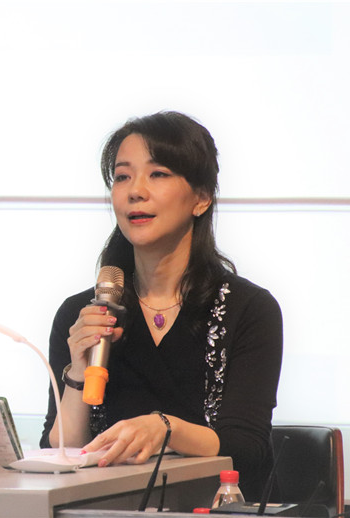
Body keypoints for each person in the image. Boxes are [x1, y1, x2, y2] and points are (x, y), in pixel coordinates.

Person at [39, 111, 283, 500]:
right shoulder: (82, 312)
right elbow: (60, 450)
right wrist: (80, 370)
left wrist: (165, 429)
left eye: (158, 174)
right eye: (122, 177)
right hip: (105, 507)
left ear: (201, 198)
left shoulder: (248, 309)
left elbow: (247, 448)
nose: (135, 191)